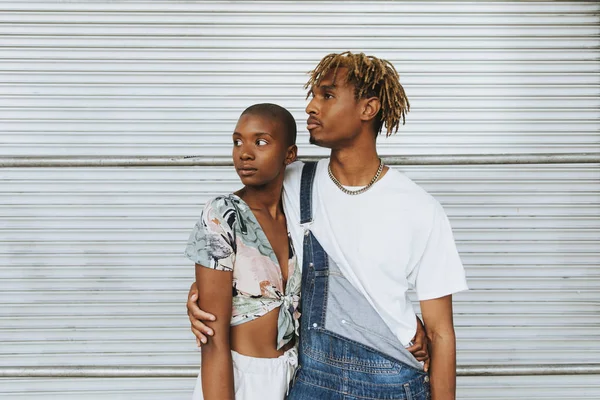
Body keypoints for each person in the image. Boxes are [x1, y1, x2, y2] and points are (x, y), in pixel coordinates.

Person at [188, 52, 468, 400]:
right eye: (314, 95)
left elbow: (441, 333)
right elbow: (229, 232)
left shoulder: (421, 209)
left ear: (368, 109)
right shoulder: (292, 180)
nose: (310, 107)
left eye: (327, 95)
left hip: (393, 383)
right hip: (310, 382)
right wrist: (200, 293)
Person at [184, 103, 301, 399]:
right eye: (238, 141)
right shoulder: (222, 215)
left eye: (260, 142)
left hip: (299, 374)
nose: (244, 153)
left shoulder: (302, 216)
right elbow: (213, 339)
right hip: (240, 379)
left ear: (290, 154)